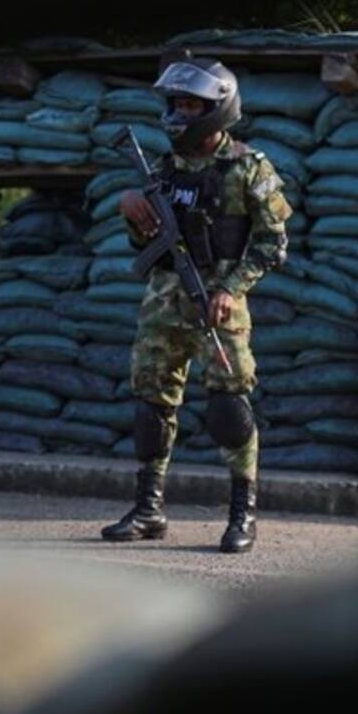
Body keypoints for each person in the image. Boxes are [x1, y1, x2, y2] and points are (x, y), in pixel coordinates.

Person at [100, 55, 293, 553]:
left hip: (218, 304)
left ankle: (241, 516)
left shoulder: (249, 168)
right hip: (164, 300)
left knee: (229, 407)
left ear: (217, 110)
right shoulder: (162, 170)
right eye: (177, 104)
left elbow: (273, 243)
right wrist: (132, 209)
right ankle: (148, 509)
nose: (180, 114)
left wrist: (231, 288)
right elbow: (142, 243)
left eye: (191, 105)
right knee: (151, 404)